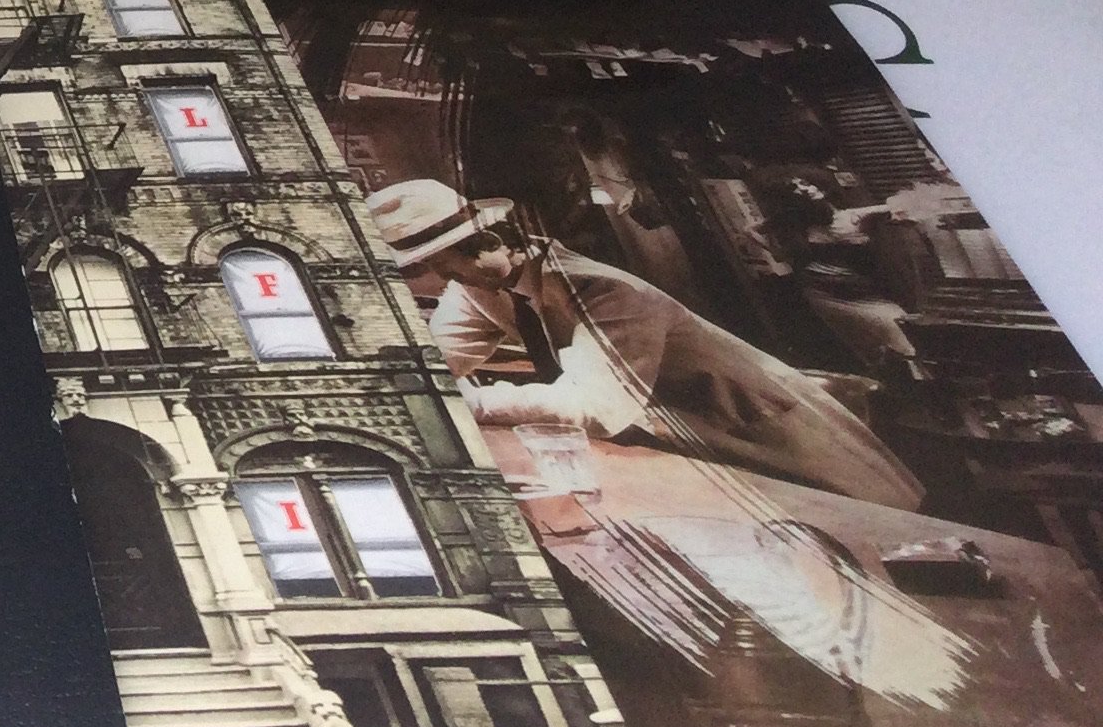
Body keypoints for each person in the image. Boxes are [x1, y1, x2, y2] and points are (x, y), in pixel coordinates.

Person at [368, 178, 925, 509]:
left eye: (434, 266)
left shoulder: (603, 290)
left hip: (765, 428)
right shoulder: (479, 286)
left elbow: (595, 407)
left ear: (486, 241)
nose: (434, 283)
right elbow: (433, 361)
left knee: (873, 537)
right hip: (688, 435)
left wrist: (473, 400)